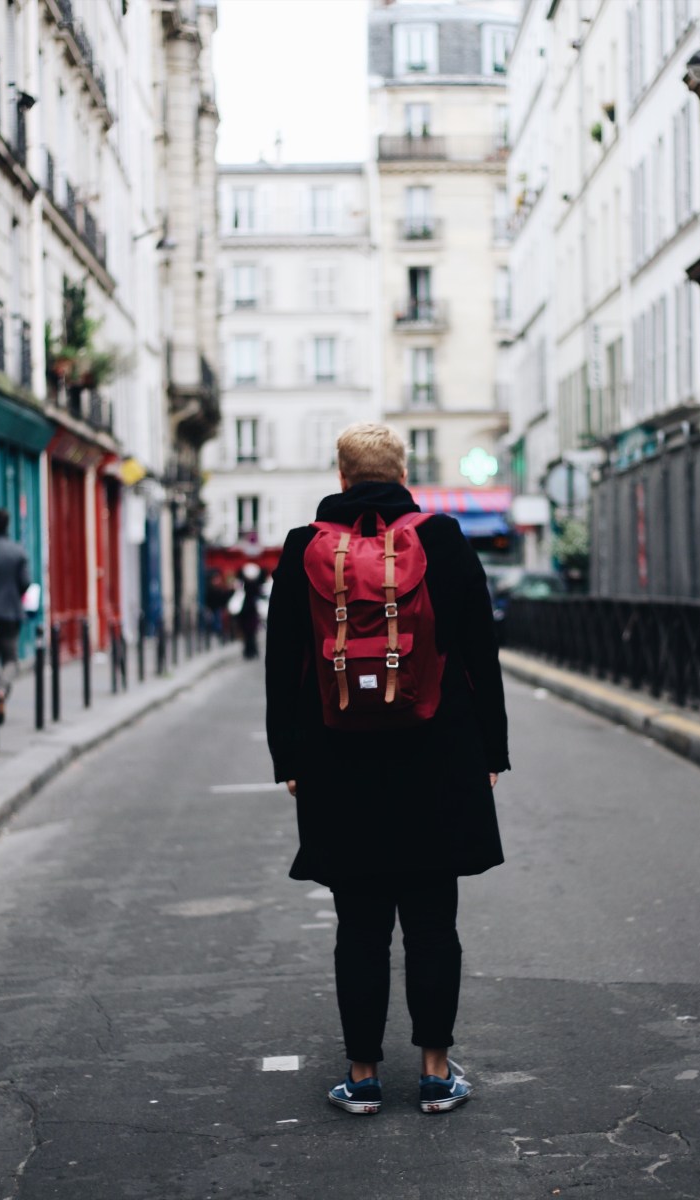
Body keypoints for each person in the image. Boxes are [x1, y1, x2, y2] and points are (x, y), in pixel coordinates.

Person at [265, 423, 509, 1115]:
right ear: (404, 474)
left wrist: (289, 758)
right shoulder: (443, 539)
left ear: (341, 476)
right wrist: (491, 752)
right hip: (437, 754)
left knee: (360, 924)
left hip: (337, 760)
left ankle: (363, 1077)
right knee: (432, 920)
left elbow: (283, 663)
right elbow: (480, 654)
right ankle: (435, 1073)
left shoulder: (301, 546)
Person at [0, 508, 31, 724]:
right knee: (11, 659)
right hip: (10, 615)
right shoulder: (17, 552)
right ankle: (1, 690)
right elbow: (25, 583)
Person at [237, 563, 266, 660]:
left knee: (249, 634)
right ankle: (251, 651)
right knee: (250, 634)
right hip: (249, 613)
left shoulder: (245, 585)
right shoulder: (251, 586)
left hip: (247, 613)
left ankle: (250, 651)